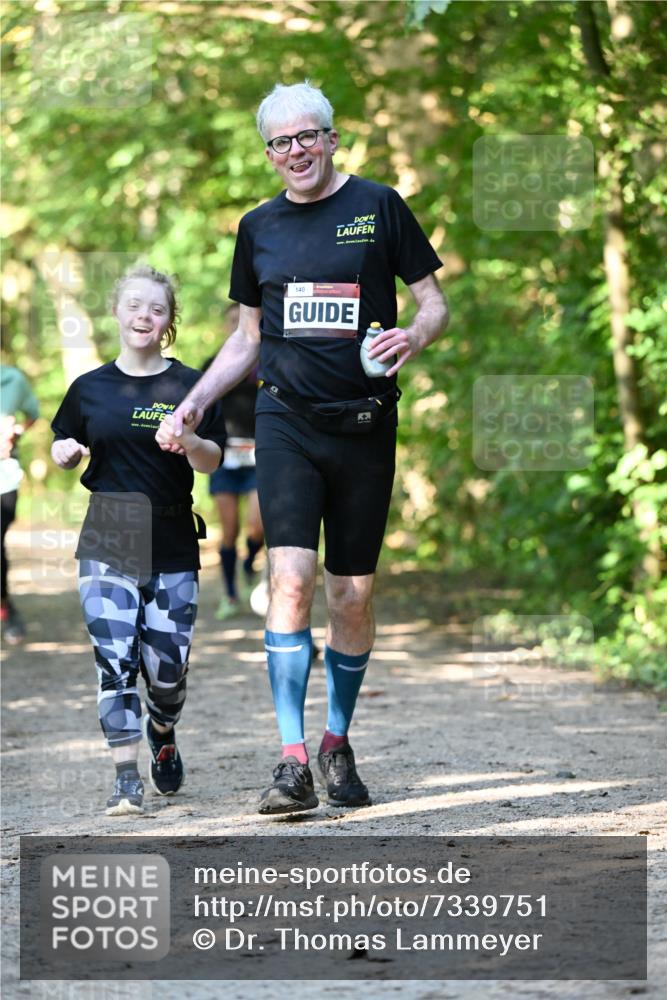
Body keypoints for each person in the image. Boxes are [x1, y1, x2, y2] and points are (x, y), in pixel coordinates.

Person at [167, 82, 448, 815]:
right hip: (283, 420)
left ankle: (335, 741)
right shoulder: (256, 227)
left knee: (351, 594)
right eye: (280, 142)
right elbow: (246, 339)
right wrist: (194, 399)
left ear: (330, 138)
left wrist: (411, 336)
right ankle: (290, 761)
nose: (295, 151)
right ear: (268, 153)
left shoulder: (378, 206)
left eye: (306, 137)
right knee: (290, 579)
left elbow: (433, 304)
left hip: (364, 424)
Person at [51, 265, 225, 816]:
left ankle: (163, 728)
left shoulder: (193, 385)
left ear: (169, 319)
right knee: (114, 659)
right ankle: (126, 776)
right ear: (117, 312)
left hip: (173, 533)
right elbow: (65, 437)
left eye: (156, 308)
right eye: (134, 305)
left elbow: (213, 458)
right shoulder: (89, 388)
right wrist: (63, 452)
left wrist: (192, 438)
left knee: (167, 670)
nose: (144, 316)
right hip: (110, 530)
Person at [203, 303, 264, 620]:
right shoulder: (211, 364)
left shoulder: (267, 360)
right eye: (231, 321)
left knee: (257, 526)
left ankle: (249, 561)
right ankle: (229, 594)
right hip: (223, 457)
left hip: (260, 455)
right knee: (229, 532)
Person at [1, 364, 40, 645]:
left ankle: (5, 607)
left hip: (4, 473)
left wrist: (15, 432)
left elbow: (33, 415)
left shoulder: (13, 379)